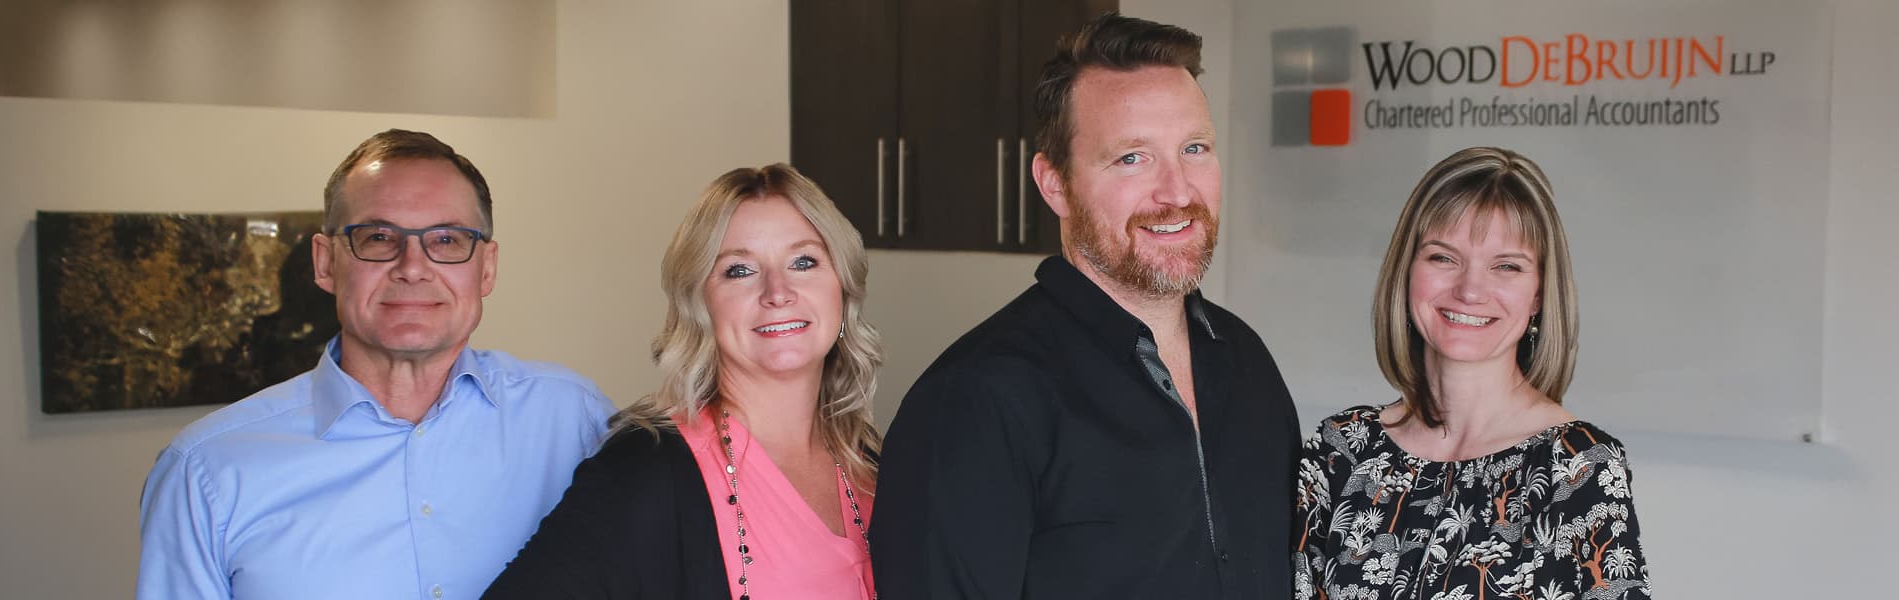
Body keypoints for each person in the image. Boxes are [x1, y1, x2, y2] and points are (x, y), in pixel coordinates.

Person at [870, 12, 1302, 598]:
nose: (1177, 192)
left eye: (1194, 148)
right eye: (1132, 157)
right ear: (1054, 184)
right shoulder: (975, 402)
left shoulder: (1246, 361)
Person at [136, 129, 616, 599]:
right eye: (379, 237)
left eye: (447, 240)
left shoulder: (573, 419)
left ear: (486, 268)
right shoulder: (206, 471)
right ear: (325, 263)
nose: (412, 266)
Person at [485, 163, 883, 599]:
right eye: (739, 270)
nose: (777, 291)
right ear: (699, 304)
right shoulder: (645, 468)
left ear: (842, 289)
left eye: (804, 262)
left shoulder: (872, 459)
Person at [1293, 147, 1651, 600]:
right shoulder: (1341, 451)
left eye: (1506, 267)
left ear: (1539, 295)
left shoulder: (1580, 469)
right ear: (1407, 272)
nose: (1470, 290)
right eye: (1443, 258)